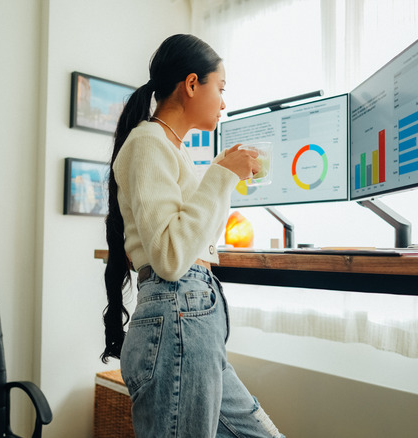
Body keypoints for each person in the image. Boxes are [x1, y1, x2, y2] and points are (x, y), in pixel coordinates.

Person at [100, 34, 284, 438]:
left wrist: (219, 174)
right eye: (220, 88)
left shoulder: (174, 150)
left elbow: (193, 239)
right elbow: (170, 256)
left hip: (192, 317)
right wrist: (221, 176)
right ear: (191, 84)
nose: (223, 102)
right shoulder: (148, 142)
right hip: (178, 311)